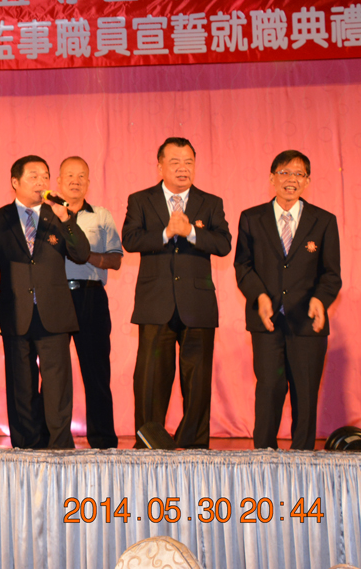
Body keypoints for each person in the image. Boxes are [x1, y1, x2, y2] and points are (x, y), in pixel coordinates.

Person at [122, 138, 232, 449]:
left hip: (197, 304)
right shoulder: (140, 200)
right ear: (160, 166)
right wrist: (167, 232)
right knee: (150, 378)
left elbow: (224, 244)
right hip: (155, 303)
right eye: (175, 162)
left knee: (197, 379)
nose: (183, 168)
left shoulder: (210, 202)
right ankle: (149, 441)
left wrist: (191, 232)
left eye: (188, 162)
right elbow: (130, 239)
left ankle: (193, 443)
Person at [0, 155, 90, 449]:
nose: (41, 182)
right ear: (15, 182)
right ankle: (26, 446)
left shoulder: (57, 215)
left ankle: (59, 445)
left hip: (54, 312)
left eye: (45, 176)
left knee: (57, 385)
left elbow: (81, 254)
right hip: (15, 312)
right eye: (33, 176)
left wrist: (67, 220)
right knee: (21, 386)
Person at [234, 150, 342, 450]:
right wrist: (259, 296)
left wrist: (320, 300)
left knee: (305, 395)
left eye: (298, 174)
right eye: (284, 173)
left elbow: (331, 274)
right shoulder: (251, 218)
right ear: (272, 178)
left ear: (307, 181)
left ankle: (303, 459)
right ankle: (263, 457)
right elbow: (243, 266)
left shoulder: (323, 221)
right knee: (269, 389)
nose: (291, 179)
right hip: (267, 322)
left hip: (307, 323)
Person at [55, 156, 123, 449]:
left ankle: (103, 441)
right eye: (70, 175)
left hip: (91, 297)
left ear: (89, 182)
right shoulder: (47, 215)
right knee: (55, 374)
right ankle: (54, 439)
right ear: (58, 181)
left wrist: (83, 256)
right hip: (56, 296)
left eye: (82, 176)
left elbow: (115, 260)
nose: (75, 181)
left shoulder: (101, 215)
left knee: (97, 373)